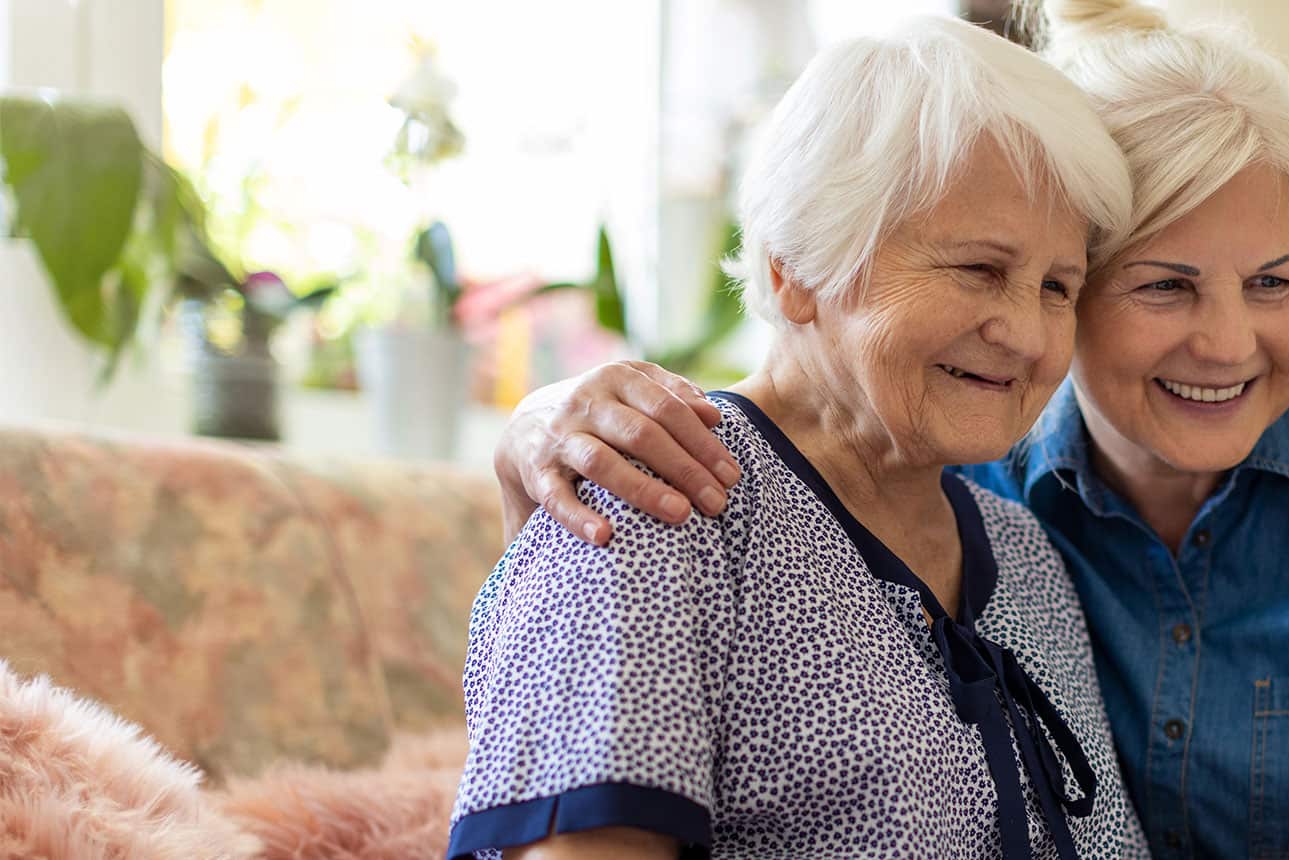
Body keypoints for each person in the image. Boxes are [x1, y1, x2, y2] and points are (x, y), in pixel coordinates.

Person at [491, 2, 1289, 858]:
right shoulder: (771, 486)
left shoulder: (1012, 556)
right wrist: (539, 422)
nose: (1226, 341)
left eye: (1275, 279)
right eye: (1163, 286)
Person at [449, 15, 1150, 859]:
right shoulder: (658, 498)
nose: (1029, 336)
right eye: (978, 269)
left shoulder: (1025, 553)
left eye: (1057, 286)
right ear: (794, 269)